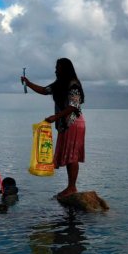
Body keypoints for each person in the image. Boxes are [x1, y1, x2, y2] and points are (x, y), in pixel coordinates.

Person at [21, 58, 85, 198]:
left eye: (58, 67)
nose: (56, 70)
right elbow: (44, 90)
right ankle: (70, 187)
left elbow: (74, 106)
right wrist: (28, 83)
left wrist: (55, 117)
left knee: (72, 155)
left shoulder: (73, 85)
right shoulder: (59, 84)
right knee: (70, 156)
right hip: (66, 124)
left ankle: (72, 187)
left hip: (73, 123)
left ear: (65, 69)